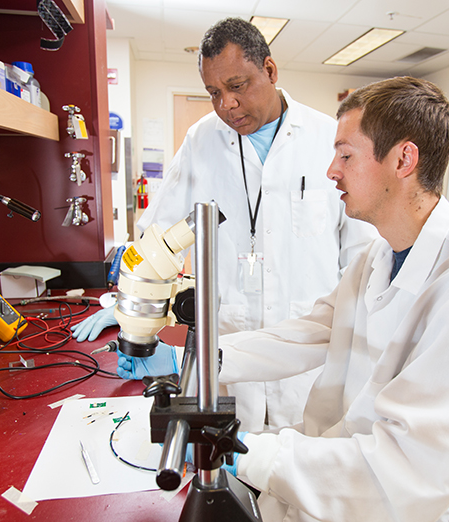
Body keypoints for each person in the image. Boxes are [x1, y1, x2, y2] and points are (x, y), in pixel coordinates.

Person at [118, 76, 449, 521]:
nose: (331, 171)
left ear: (403, 159)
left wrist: (245, 454)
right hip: (339, 470)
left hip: (404, 504)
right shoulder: (381, 255)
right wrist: (199, 357)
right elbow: (312, 332)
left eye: (346, 155)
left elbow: (410, 473)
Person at [72, 17, 377, 432]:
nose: (226, 105)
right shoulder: (201, 141)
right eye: (214, 92)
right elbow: (157, 236)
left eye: (237, 86)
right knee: (234, 462)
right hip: (231, 348)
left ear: (269, 70)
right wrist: (132, 307)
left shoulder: (327, 138)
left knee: (307, 473)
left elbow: (361, 257)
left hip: (311, 355)